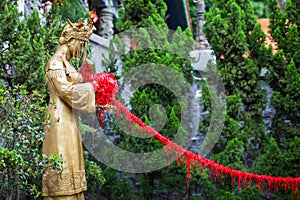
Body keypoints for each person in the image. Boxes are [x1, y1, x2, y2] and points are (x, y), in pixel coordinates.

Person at [42, 18, 96, 200]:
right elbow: (66, 91)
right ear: (71, 41)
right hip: (59, 120)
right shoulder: (55, 63)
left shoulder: (66, 63)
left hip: (69, 119)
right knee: (63, 162)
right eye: (80, 45)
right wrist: (92, 89)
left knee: (72, 163)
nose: (81, 51)